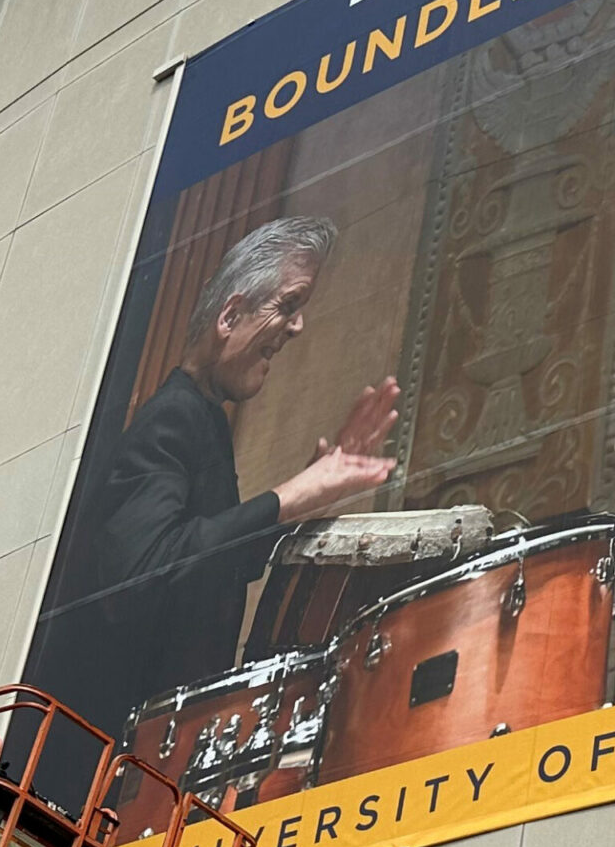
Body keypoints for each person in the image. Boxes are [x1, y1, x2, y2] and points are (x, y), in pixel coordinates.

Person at [83, 215, 398, 737]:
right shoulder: (173, 416)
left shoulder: (202, 416)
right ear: (230, 316)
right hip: (121, 749)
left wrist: (304, 501)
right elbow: (142, 570)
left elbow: (203, 561)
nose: (297, 327)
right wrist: (288, 497)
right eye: (289, 305)